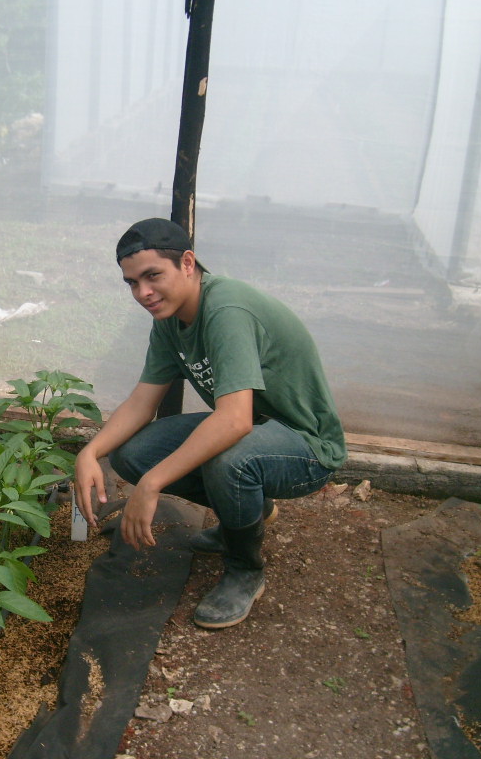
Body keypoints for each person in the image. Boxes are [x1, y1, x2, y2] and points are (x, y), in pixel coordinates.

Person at [74, 217, 346, 629]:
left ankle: (245, 570)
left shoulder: (226, 309)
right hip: (257, 432)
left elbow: (234, 422)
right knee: (134, 454)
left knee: (230, 460)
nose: (143, 293)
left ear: (187, 263)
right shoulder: (168, 320)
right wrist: (92, 451)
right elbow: (142, 402)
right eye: (131, 282)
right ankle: (249, 511)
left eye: (152, 276)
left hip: (306, 444)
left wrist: (151, 485)